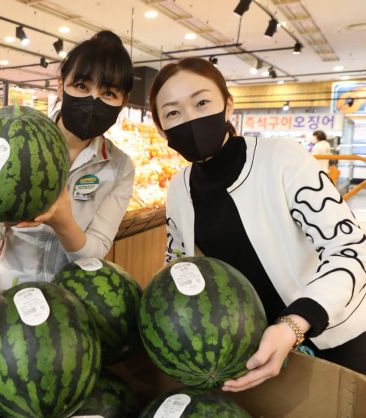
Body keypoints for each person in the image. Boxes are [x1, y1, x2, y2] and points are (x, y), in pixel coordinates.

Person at [148, 57, 366, 390]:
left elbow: (350, 249)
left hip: (331, 339)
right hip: (249, 352)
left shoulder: (282, 159)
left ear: (228, 106)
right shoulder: (179, 188)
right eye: (173, 113)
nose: (190, 118)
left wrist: (294, 324)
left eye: (202, 102)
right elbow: (178, 266)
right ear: (162, 128)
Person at [0, 31, 135, 292]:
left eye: (108, 93)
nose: (93, 100)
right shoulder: (13, 140)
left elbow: (95, 259)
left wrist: (63, 221)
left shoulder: (119, 167)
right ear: (61, 84)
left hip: (68, 301)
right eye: (82, 86)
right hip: (6, 292)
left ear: (123, 101)